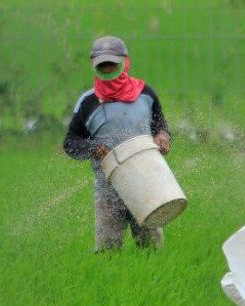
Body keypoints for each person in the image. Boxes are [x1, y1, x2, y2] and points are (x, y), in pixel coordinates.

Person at [63, 36, 171, 252]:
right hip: (108, 189)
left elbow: (161, 125)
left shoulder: (145, 94)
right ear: (94, 66)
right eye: (102, 64)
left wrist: (163, 136)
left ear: (125, 62)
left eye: (112, 62)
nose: (107, 67)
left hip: (147, 185)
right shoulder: (88, 102)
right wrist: (92, 148)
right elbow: (71, 142)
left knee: (152, 250)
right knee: (107, 252)